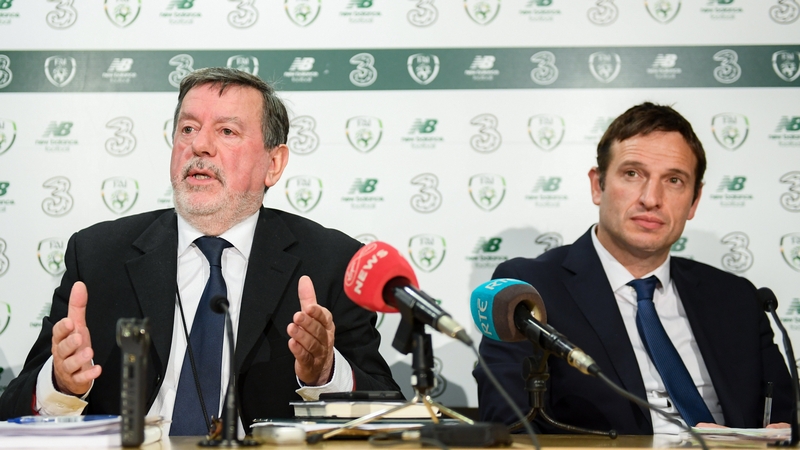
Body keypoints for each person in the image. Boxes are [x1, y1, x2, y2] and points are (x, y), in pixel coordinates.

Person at [0, 67, 400, 434]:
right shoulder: (98, 255)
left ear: (274, 164)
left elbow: (389, 413)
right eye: (188, 129)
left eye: (227, 132)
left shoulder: (331, 262)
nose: (200, 146)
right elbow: (12, 408)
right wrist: (61, 385)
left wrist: (326, 374)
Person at [473, 102, 793, 434]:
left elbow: (785, 419)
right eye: (632, 174)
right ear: (598, 186)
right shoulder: (531, 289)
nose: (651, 198)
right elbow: (508, 422)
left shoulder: (736, 297)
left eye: (674, 180)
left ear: (694, 201)